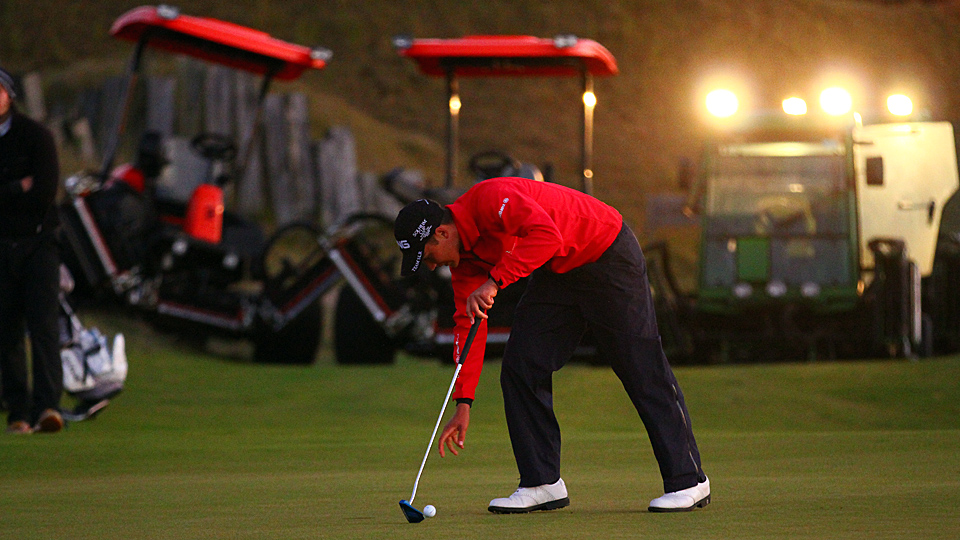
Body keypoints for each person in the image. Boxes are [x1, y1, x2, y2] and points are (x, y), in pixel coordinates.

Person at [394, 177, 709, 513]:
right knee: (522, 365)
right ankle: (541, 482)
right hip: (558, 273)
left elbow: (547, 235)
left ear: (441, 233)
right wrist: (464, 401)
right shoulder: (464, 262)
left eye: (427, 256)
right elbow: (468, 326)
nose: (430, 266)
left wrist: (495, 281)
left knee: (640, 367)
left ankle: (688, 481)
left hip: (606, 252)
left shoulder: (492, 199)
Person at [0, 67, 64, 434]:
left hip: (39, 244)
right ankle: (18, 412)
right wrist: (14, 189)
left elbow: (44, 191)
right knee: (6, 331)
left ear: (10, 95)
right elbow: (23, 190)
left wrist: (17, 194)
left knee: (43, 326)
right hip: (1, 247)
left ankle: (47, 408)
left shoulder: (36, 136)